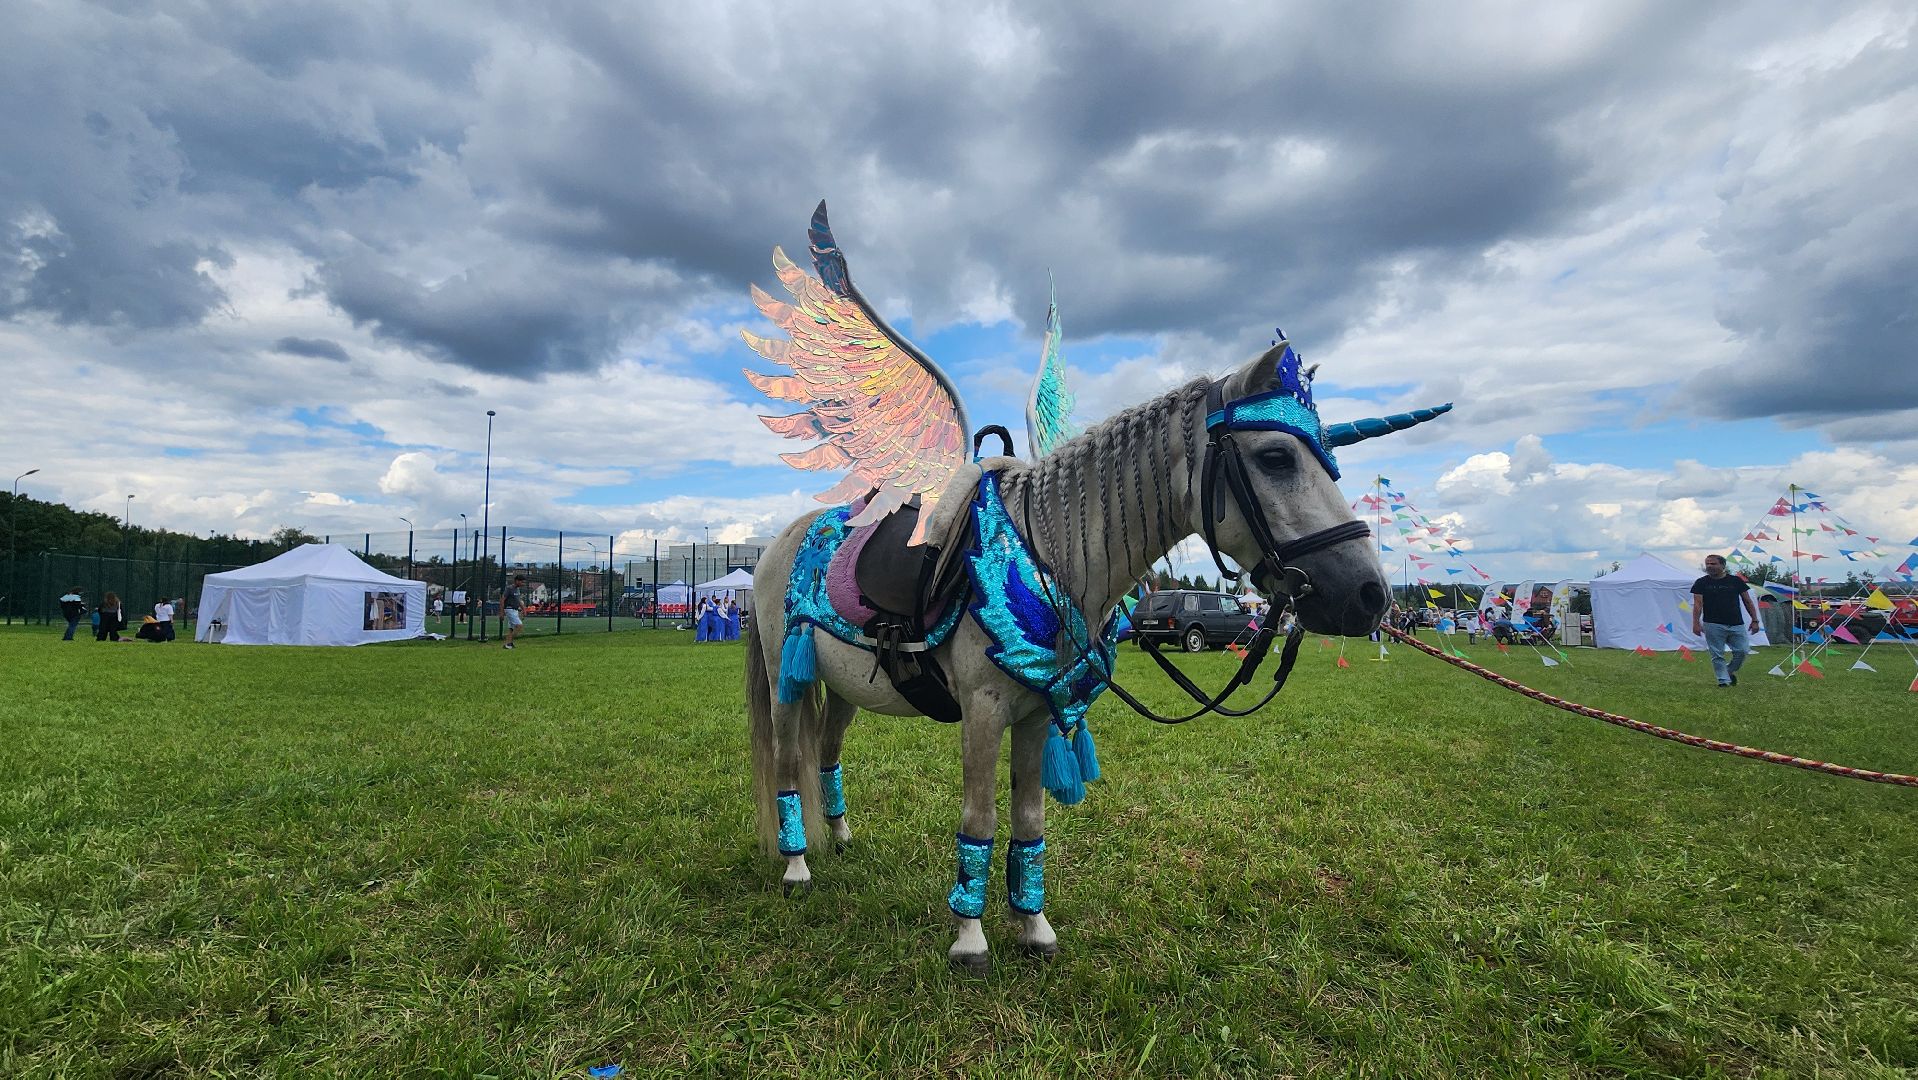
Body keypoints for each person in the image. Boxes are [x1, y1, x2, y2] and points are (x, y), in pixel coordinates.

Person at [1692, 553, 1760, 687]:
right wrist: (1695, 623)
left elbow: (1747, 601)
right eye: (1707, 564)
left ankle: (1728, 671)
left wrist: (1755, 620)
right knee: (1717, 654)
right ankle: (1723, 681)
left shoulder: (1735, 581)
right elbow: (1698, 604)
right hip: (1712, 623)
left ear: (1723, 565)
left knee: (1742, 650)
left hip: (1736, 623)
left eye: (1713, 564)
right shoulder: (1701, 583)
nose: (1709, 566)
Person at [501, 574, 525, 649]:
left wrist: (524, 609)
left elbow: (518, 600)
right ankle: (509, 643)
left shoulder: (518, 589)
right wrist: (501, 612)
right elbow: (502, 599)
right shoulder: (509, 588)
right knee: (519, 626)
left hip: (515, 610)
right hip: (509, 609)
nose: (522, 583)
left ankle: (509, 644)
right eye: (521, 582)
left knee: (511, 628)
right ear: (517, 581)